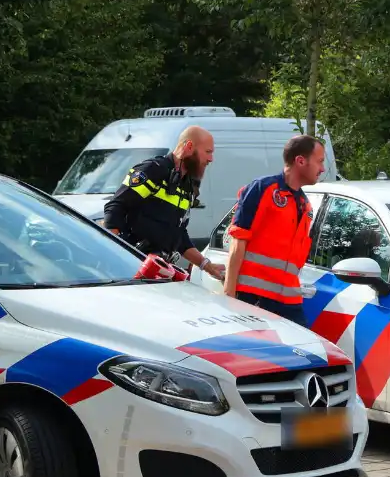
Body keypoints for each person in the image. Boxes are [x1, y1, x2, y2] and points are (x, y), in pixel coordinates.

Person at [222, 135, 326, 327]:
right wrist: (229, 293)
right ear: (300, 161)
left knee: (305, 353)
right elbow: (238, 240)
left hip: (289, 300)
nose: (323, 169)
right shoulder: (262, 189)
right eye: (319, 161)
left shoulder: (304, 205)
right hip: (254, 297)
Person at [103, 126, 225, 281]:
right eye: (208, 152)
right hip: (130, 269)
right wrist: (114, 256)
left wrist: (206, 265)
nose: (211, 159)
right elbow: (115, 208)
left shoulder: (188, 186)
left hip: (157, 272)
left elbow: (179, 234)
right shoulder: (153, 170)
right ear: (189, 147)